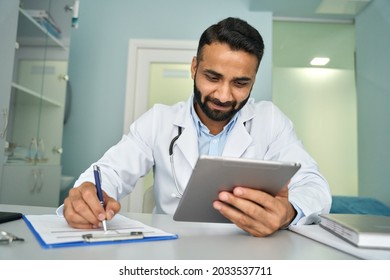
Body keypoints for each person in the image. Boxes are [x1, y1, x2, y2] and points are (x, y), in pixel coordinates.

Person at [62, 17, 332, 237]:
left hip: (247, 255)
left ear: (253, 79)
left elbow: (314, 185)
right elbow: (109, 172)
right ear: (194, 68)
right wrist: (86, 195)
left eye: (240, 83)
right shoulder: (159, 121)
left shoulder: (270, 120)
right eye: (212, 77)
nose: (224, 96)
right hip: (172, 253)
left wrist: (287, 212)